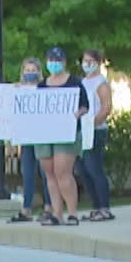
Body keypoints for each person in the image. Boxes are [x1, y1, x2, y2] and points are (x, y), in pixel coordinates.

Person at [35, 46, 91, 226]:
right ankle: (57, 213)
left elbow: (85, 106)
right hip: (45, 133)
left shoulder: (74, 82)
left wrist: (76, 114)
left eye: (57, 61)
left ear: (64, 62)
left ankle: (72, 212)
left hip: (67, 133)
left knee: (63, 172)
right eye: (51, 60)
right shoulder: (42, 85)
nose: (54, 64)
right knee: (50, 174)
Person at [75, 49, 116, 221]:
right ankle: (95, 206)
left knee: (94, 168)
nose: (87, 64)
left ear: (98, 63)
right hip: (81, 132)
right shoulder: (82, 82)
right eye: (85, 61)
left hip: (96, 131)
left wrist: (92, 124)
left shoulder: (101, 83)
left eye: (91, 61)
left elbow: (106, 108)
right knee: (83, 170)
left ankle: (104, 207)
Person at [8, 57, 50, 222]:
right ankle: (26, 209)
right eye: (27, 70)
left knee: (46, 173)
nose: (30, 73)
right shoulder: (17, 90)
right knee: (27, 174)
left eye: (33, 71)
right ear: (22, 72)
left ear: (39, 72)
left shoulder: (45, 88)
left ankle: (49, 207)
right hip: (26, 138)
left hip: (42, 136)